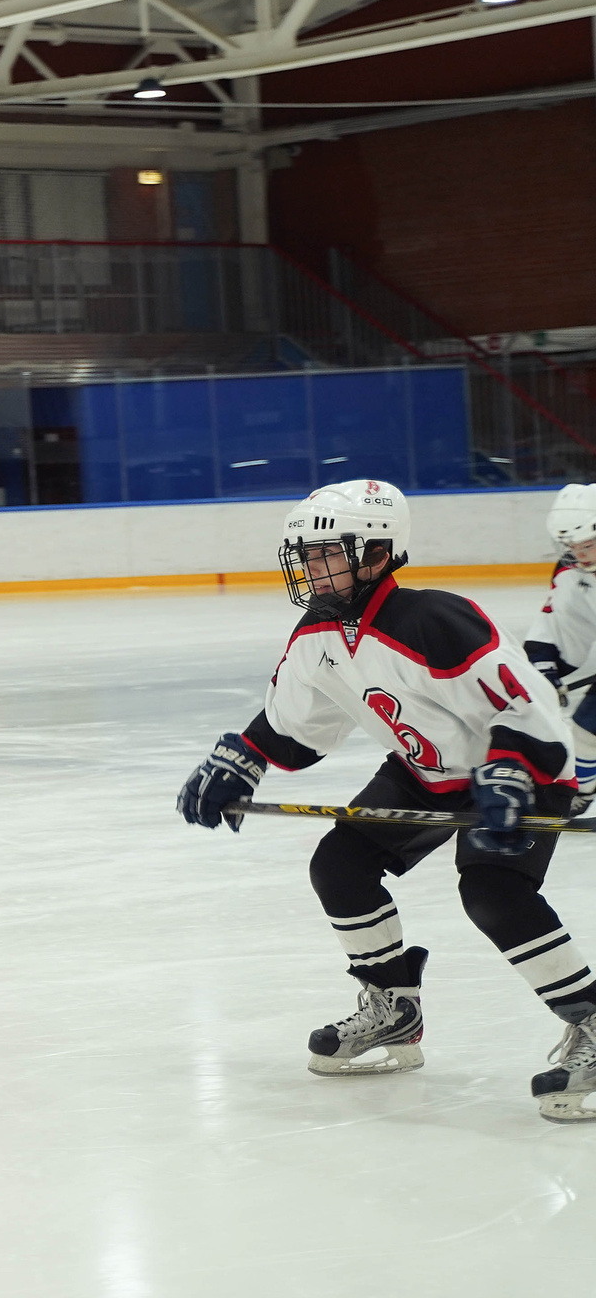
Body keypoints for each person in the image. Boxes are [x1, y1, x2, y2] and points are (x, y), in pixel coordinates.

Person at [176, 479, 596, 1122]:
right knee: (338, 866)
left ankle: (591, 1024)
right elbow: (296, 725)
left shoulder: (435, 620)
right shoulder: (317, 633)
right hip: (424, 775)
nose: (310, 567)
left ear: (376, 554)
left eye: (326, 553)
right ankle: (394, 1011)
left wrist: (510, 771)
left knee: (492, 891)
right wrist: (246, 756)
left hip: (519, 770)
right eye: (306, 554)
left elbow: (527, 704)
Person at [525, 482, 596, 800]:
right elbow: (557, 622)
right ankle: (582, 789)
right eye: (572, 548)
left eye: (588, 545)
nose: (579, 556)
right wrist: (544, 667)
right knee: (585, 730)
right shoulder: (572, 571)